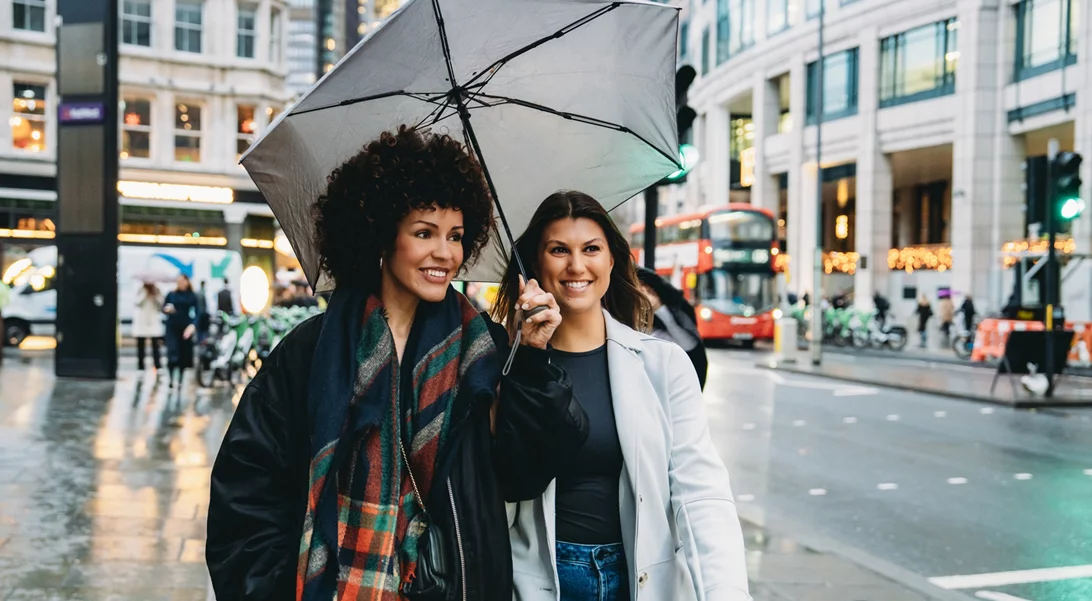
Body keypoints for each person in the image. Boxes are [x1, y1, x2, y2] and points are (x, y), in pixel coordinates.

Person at [206, 126, 575, 601]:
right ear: (381, 236)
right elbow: (245, 494)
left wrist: (532, 359)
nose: (445, 253)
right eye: (424, 233)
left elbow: (524, 473)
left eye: (456, 236)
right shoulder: (308, 352)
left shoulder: (484, 352)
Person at [492, 191, 750, 601]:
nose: (577, 265)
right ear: (535, 265)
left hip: (639, 581)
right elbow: (504, 484)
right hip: (536, 584)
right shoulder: (505, 368)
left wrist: (725, 592)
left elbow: (701, 492)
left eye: (591, 249)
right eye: (559, 250)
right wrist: (528, 356)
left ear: (612, 260)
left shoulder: (663, 365)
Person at [635, 266, 708, 390]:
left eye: (648, 291)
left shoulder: (664, 332)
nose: (643, 295)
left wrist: (658, 307)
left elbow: (690, 346)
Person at [163, 275, 199, 389]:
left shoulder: (192, 296)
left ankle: (180, 379)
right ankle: (170, 378)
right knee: (172, 353)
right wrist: (167, 310)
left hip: (185, 327)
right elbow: (164, 307)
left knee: (183, 355)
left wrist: (193, 325)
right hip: (172, 326)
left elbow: (198, 312)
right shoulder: (171, 294)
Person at [133, 282, 165, 372]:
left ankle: (158, 365)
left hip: (153, 321)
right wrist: (145, 293)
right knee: (141, 345)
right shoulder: (140, 289)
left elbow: (161, 305)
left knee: (155, 345)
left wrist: (155, 295)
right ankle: (141, 367)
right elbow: (137, 302)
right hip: (141, 321)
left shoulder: (157, 290)